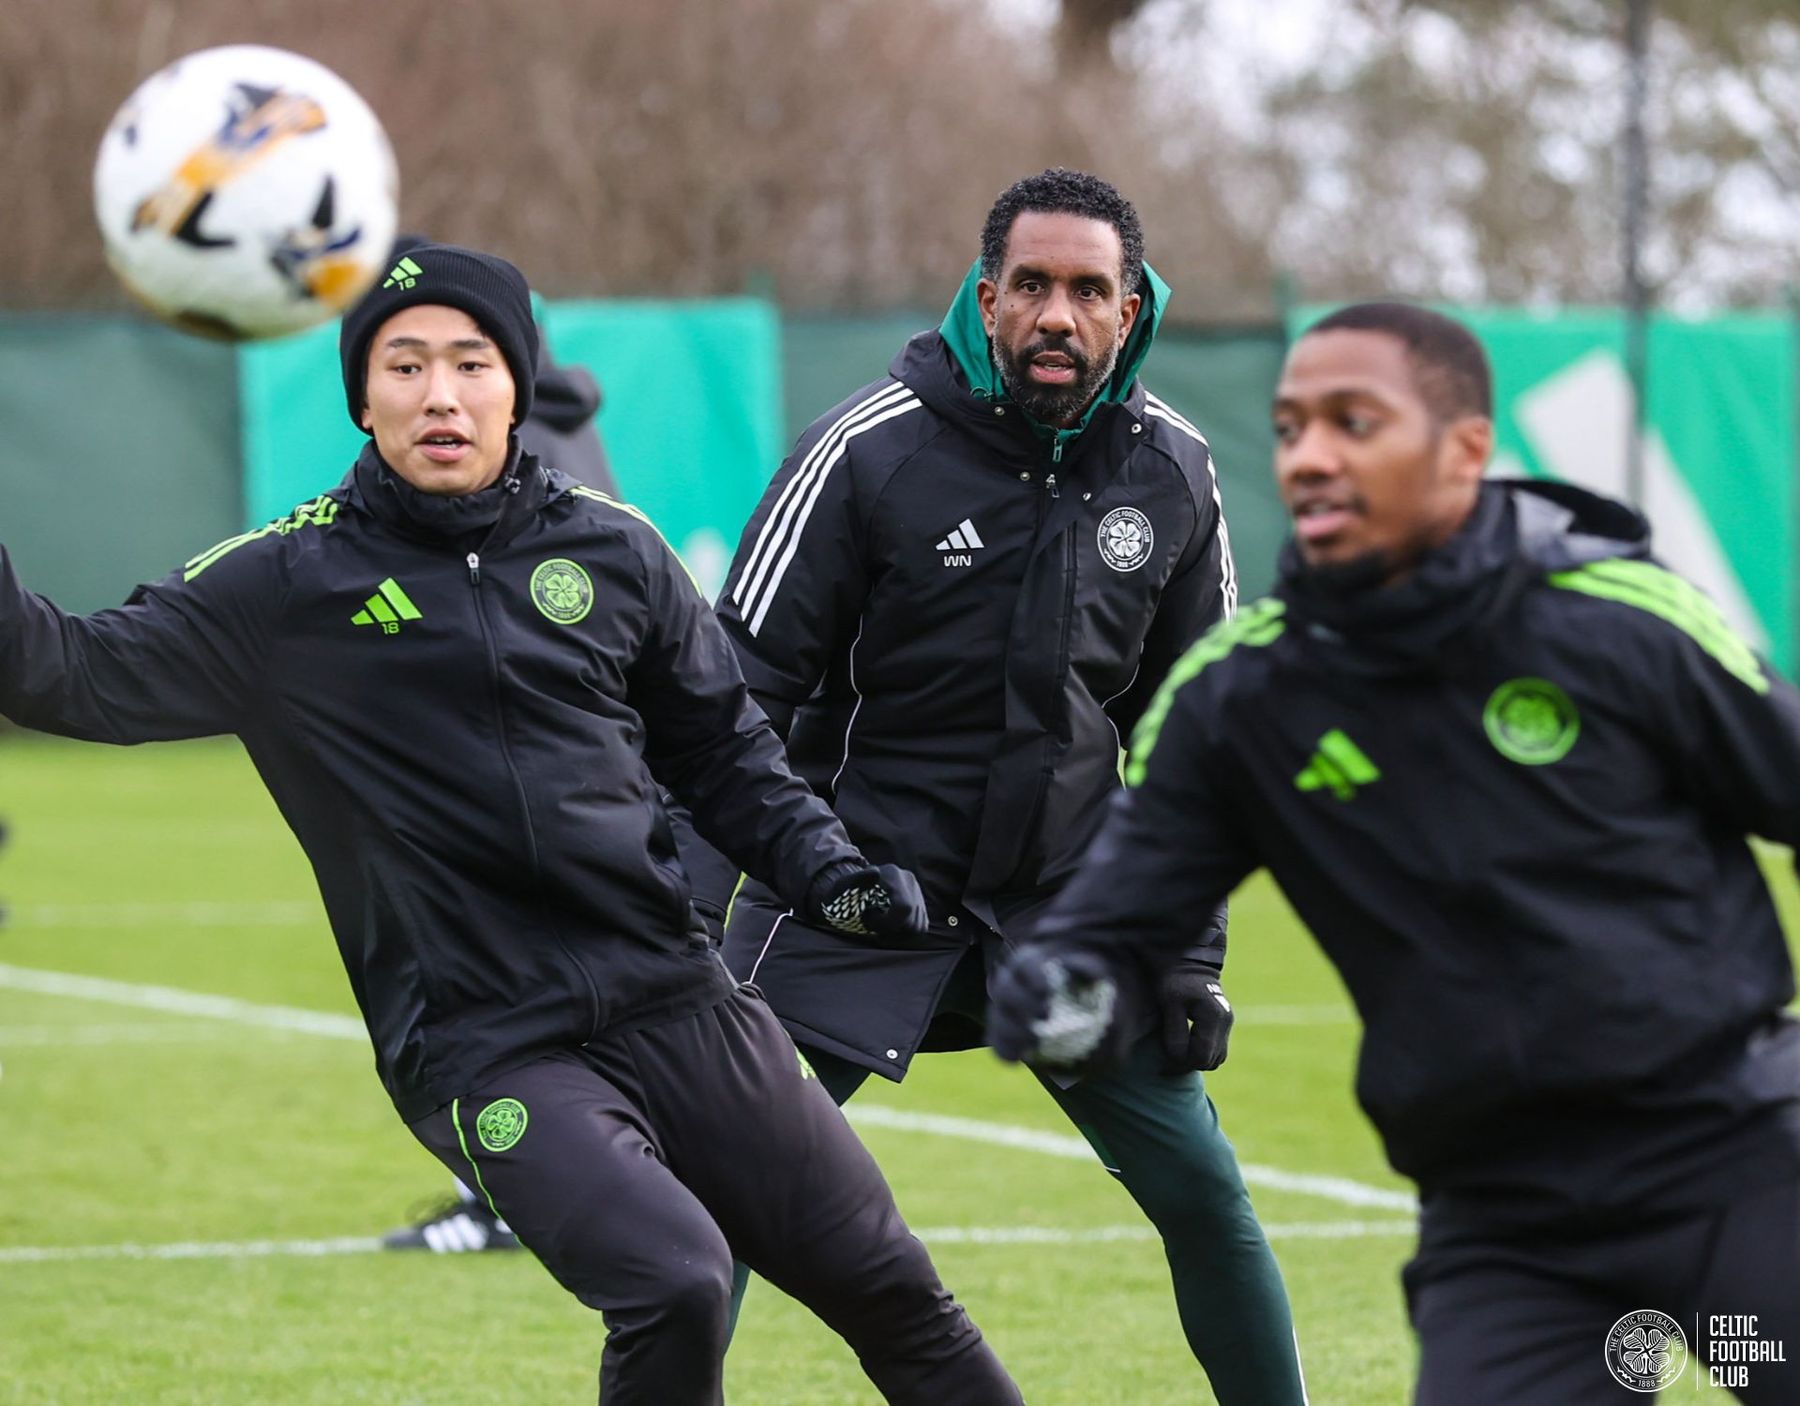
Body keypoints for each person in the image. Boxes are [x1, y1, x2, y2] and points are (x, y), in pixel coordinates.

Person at [0, 242, 1024, 1406]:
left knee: (894, 1287)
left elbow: (728, 756)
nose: (440, 394)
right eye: (405, 366)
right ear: (364, 397)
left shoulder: (616, 548)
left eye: (471, 362)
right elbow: (61, 671)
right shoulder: (286, 584)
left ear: (517, 385)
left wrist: (832, 872)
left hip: (680, 998)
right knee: (677, 1278)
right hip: (487, 1040)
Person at [989, 301, 1800, 1404]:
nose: (1310, 456)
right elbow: (1118, 913)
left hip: (1736, 1176)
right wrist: (1063, 987)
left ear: (1465, 449)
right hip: (1509, 1227)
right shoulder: (1243, 698)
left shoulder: (1620, 619)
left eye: (1353, 423)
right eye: (1291, 429)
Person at [698, 169, 1306, 1403]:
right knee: (716, 1194)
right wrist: (690, 916)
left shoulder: (1175, 473)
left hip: (1067, 906)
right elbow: (725, 698)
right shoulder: (866, 450)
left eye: (1088, 290)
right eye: (1032, 285)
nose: (1057, 315)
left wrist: (1189, 955)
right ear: (987, 298)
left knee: (1204, 1192)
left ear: (1131, 309)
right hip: (850, 891)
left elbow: (1194, 741)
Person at [374, 237, 615, 1254]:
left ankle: (509, 1200)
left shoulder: (510, 454)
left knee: (476, 1000)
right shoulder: (565, 421)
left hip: (524, 776)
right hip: (572, 768)